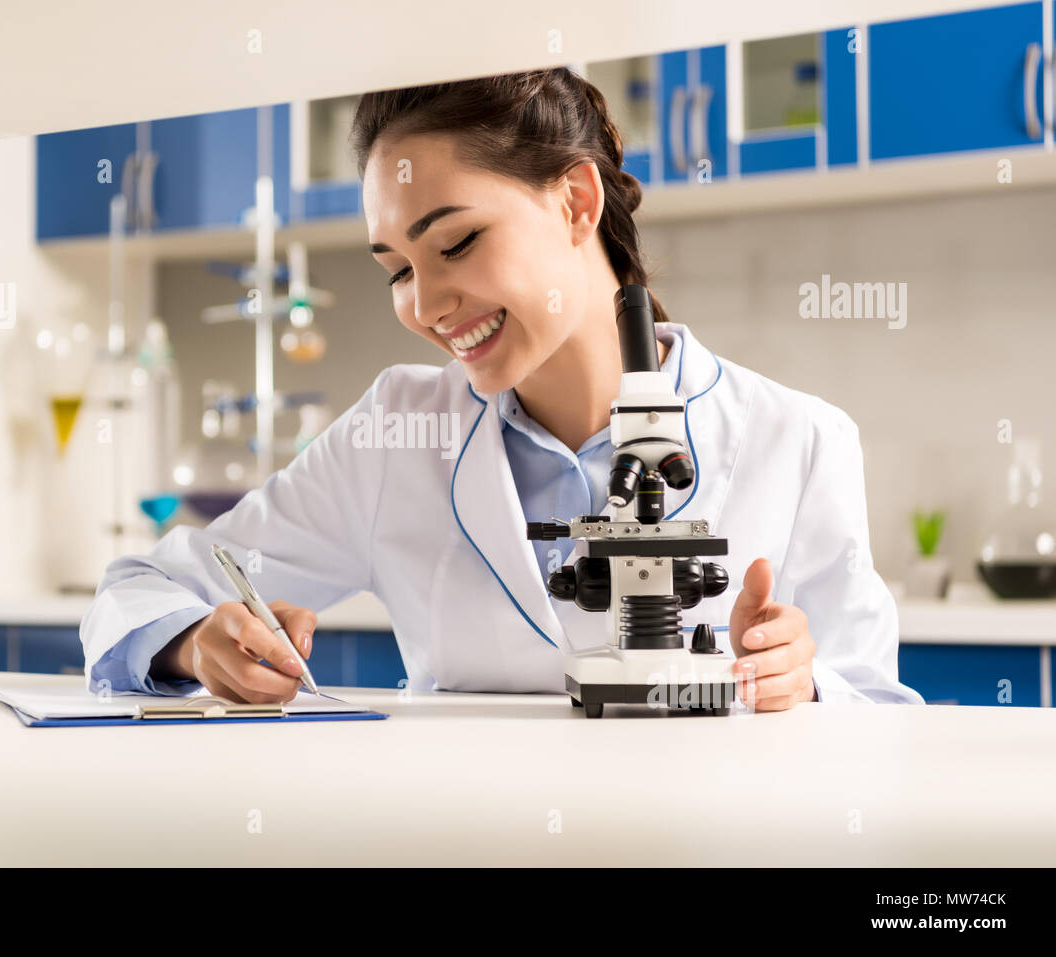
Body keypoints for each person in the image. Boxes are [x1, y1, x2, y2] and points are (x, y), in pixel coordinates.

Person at [79, 67, 924, 710]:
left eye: (456, 242)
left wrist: (806, 684)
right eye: (396, 272)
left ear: (575, 202)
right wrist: (194, 642)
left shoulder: (799, 439)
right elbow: (136, 589)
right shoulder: (395, 435)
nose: (425, 304)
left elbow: (886, 723)